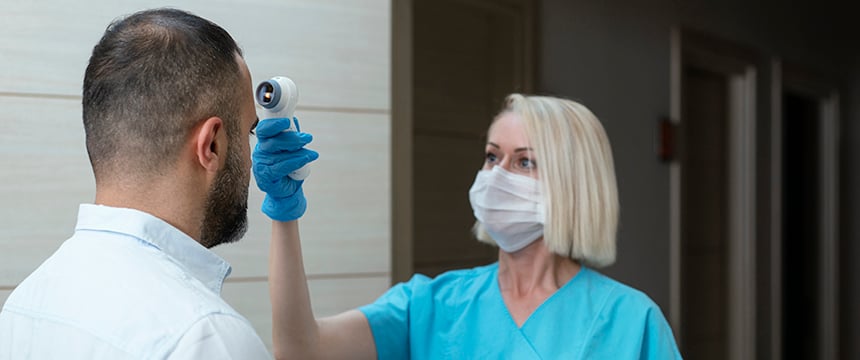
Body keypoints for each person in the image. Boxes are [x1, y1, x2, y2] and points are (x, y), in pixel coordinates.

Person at [254, 94, 682, 359]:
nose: (497, 175)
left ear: (573, 184)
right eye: (493, 157)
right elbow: (299, 349)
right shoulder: (432, 306)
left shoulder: (632, 323)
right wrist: (284, 215)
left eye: (524, 162)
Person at [0, 8, 309, 359]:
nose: (252, 158)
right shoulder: (207, 338)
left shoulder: (23, 305)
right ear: (211, 145)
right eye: (248, 132)